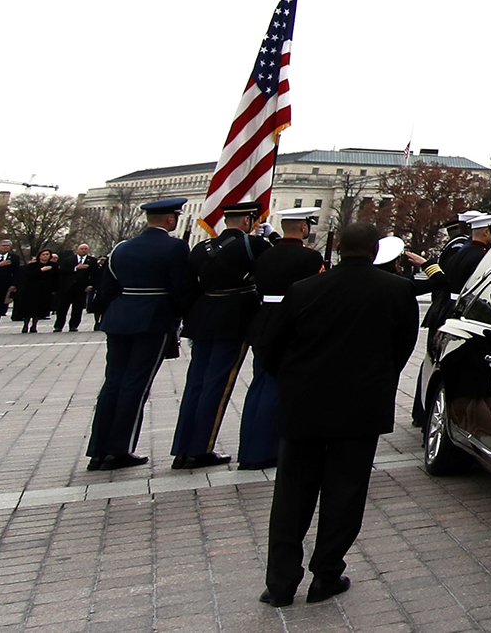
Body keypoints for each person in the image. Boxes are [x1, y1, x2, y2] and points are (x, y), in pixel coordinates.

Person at [254, 220, 422, 606]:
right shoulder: (397, 291)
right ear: (376, 249)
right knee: (345, 493)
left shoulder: (304, 289)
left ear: (339, 247)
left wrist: (294, 383)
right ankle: (326, 573)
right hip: (361, 406)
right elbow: (403, 347)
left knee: (291, 497)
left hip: (304, 406)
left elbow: (271, 347)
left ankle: (280, 583)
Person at [85, 197, 196, 470]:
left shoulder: (121, 248)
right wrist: (181, 316)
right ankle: (118, 449)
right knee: (136, 384)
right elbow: (182, 289)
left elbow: (108, 289)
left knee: (113, 383)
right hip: (153, 321)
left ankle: (99, 449)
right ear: (170, 220)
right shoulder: (175, 247)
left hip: (119, 319)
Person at [171, 201, 267, 470]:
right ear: (247, 222)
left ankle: (183, 448)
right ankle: (200, 448)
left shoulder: (201, 248)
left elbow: (189, 288)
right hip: (233, 318)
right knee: (218, 384)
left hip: (203, 317)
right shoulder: (252, 246)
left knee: (196, 384)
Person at [238, 208, 328, 471]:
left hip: (263, 321)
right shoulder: (310, 258)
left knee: (259, 385)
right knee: (280, 388)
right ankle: (268, 450)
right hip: (291, 323)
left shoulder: (266, 254)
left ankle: (249, 448)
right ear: (303, 228)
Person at [57, 244, 99, 332]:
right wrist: (75, 268)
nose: (83, 250)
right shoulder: (68, 260)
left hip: (82, 288)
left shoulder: (92, 261)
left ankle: (74, 325)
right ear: (77, 250)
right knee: (62, 308)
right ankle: (59, 325)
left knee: (78, 308)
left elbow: (95, 274)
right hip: (67, 288)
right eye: (82, 249)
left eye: (85, 249)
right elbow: (62, 272)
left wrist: (91, 285)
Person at [15, 250, 59, 333]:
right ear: (39, 256)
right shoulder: (32, 265)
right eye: (43, 254)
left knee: (39, 308)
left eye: (47, 255)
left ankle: (34, 325)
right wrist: (41, 270)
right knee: (28, 308)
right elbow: (28, 276)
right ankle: (25, 325)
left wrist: (54, 290)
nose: (45, 256)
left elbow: (56, 278)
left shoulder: (53, 266)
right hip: (31, 289)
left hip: (44, 289)